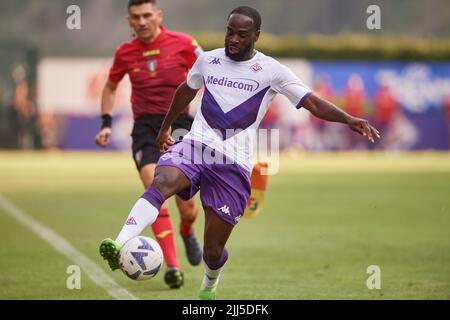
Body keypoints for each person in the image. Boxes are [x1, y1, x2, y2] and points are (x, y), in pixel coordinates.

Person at [99, 6, 381, 300]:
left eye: (241, 35)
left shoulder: (272, 71)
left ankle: (209, 285)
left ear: (256, 36)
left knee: (213, 250)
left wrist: (349, 118)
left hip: (232, 164)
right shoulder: (208, 60)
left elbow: (311, 102)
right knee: (162, 181)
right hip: (196, 146)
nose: (232, 39)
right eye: (229, 32)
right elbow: (186, 89)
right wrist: (165, 127)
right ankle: (120, 242)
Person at [95, 0, 203, 289]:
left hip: (180, 125)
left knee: (188, 207)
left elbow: (211, 75)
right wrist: (106, 122)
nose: (142, 22)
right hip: (145, 128)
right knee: (154, 186)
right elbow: (110, 86)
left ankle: (187, 229)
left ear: (158, 16)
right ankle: (172, 266)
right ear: (129, 21)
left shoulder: (184, 44)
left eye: (146, 16)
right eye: (135, 17)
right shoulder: (125, 52)